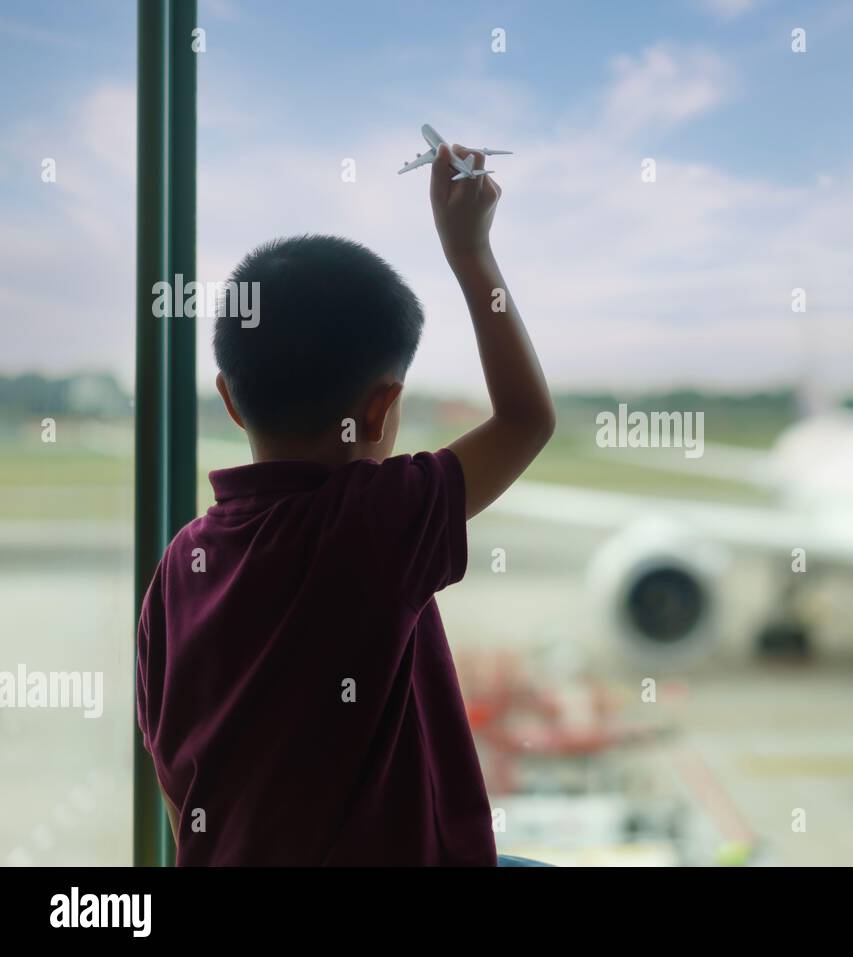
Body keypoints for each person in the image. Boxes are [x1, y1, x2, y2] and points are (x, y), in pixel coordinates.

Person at [136, 144, 555, 865]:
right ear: (382, 405)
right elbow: (525, 420)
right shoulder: (373, 519)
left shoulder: (182, 560)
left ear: (231, 398)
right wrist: (471, 253)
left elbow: (173, 766)